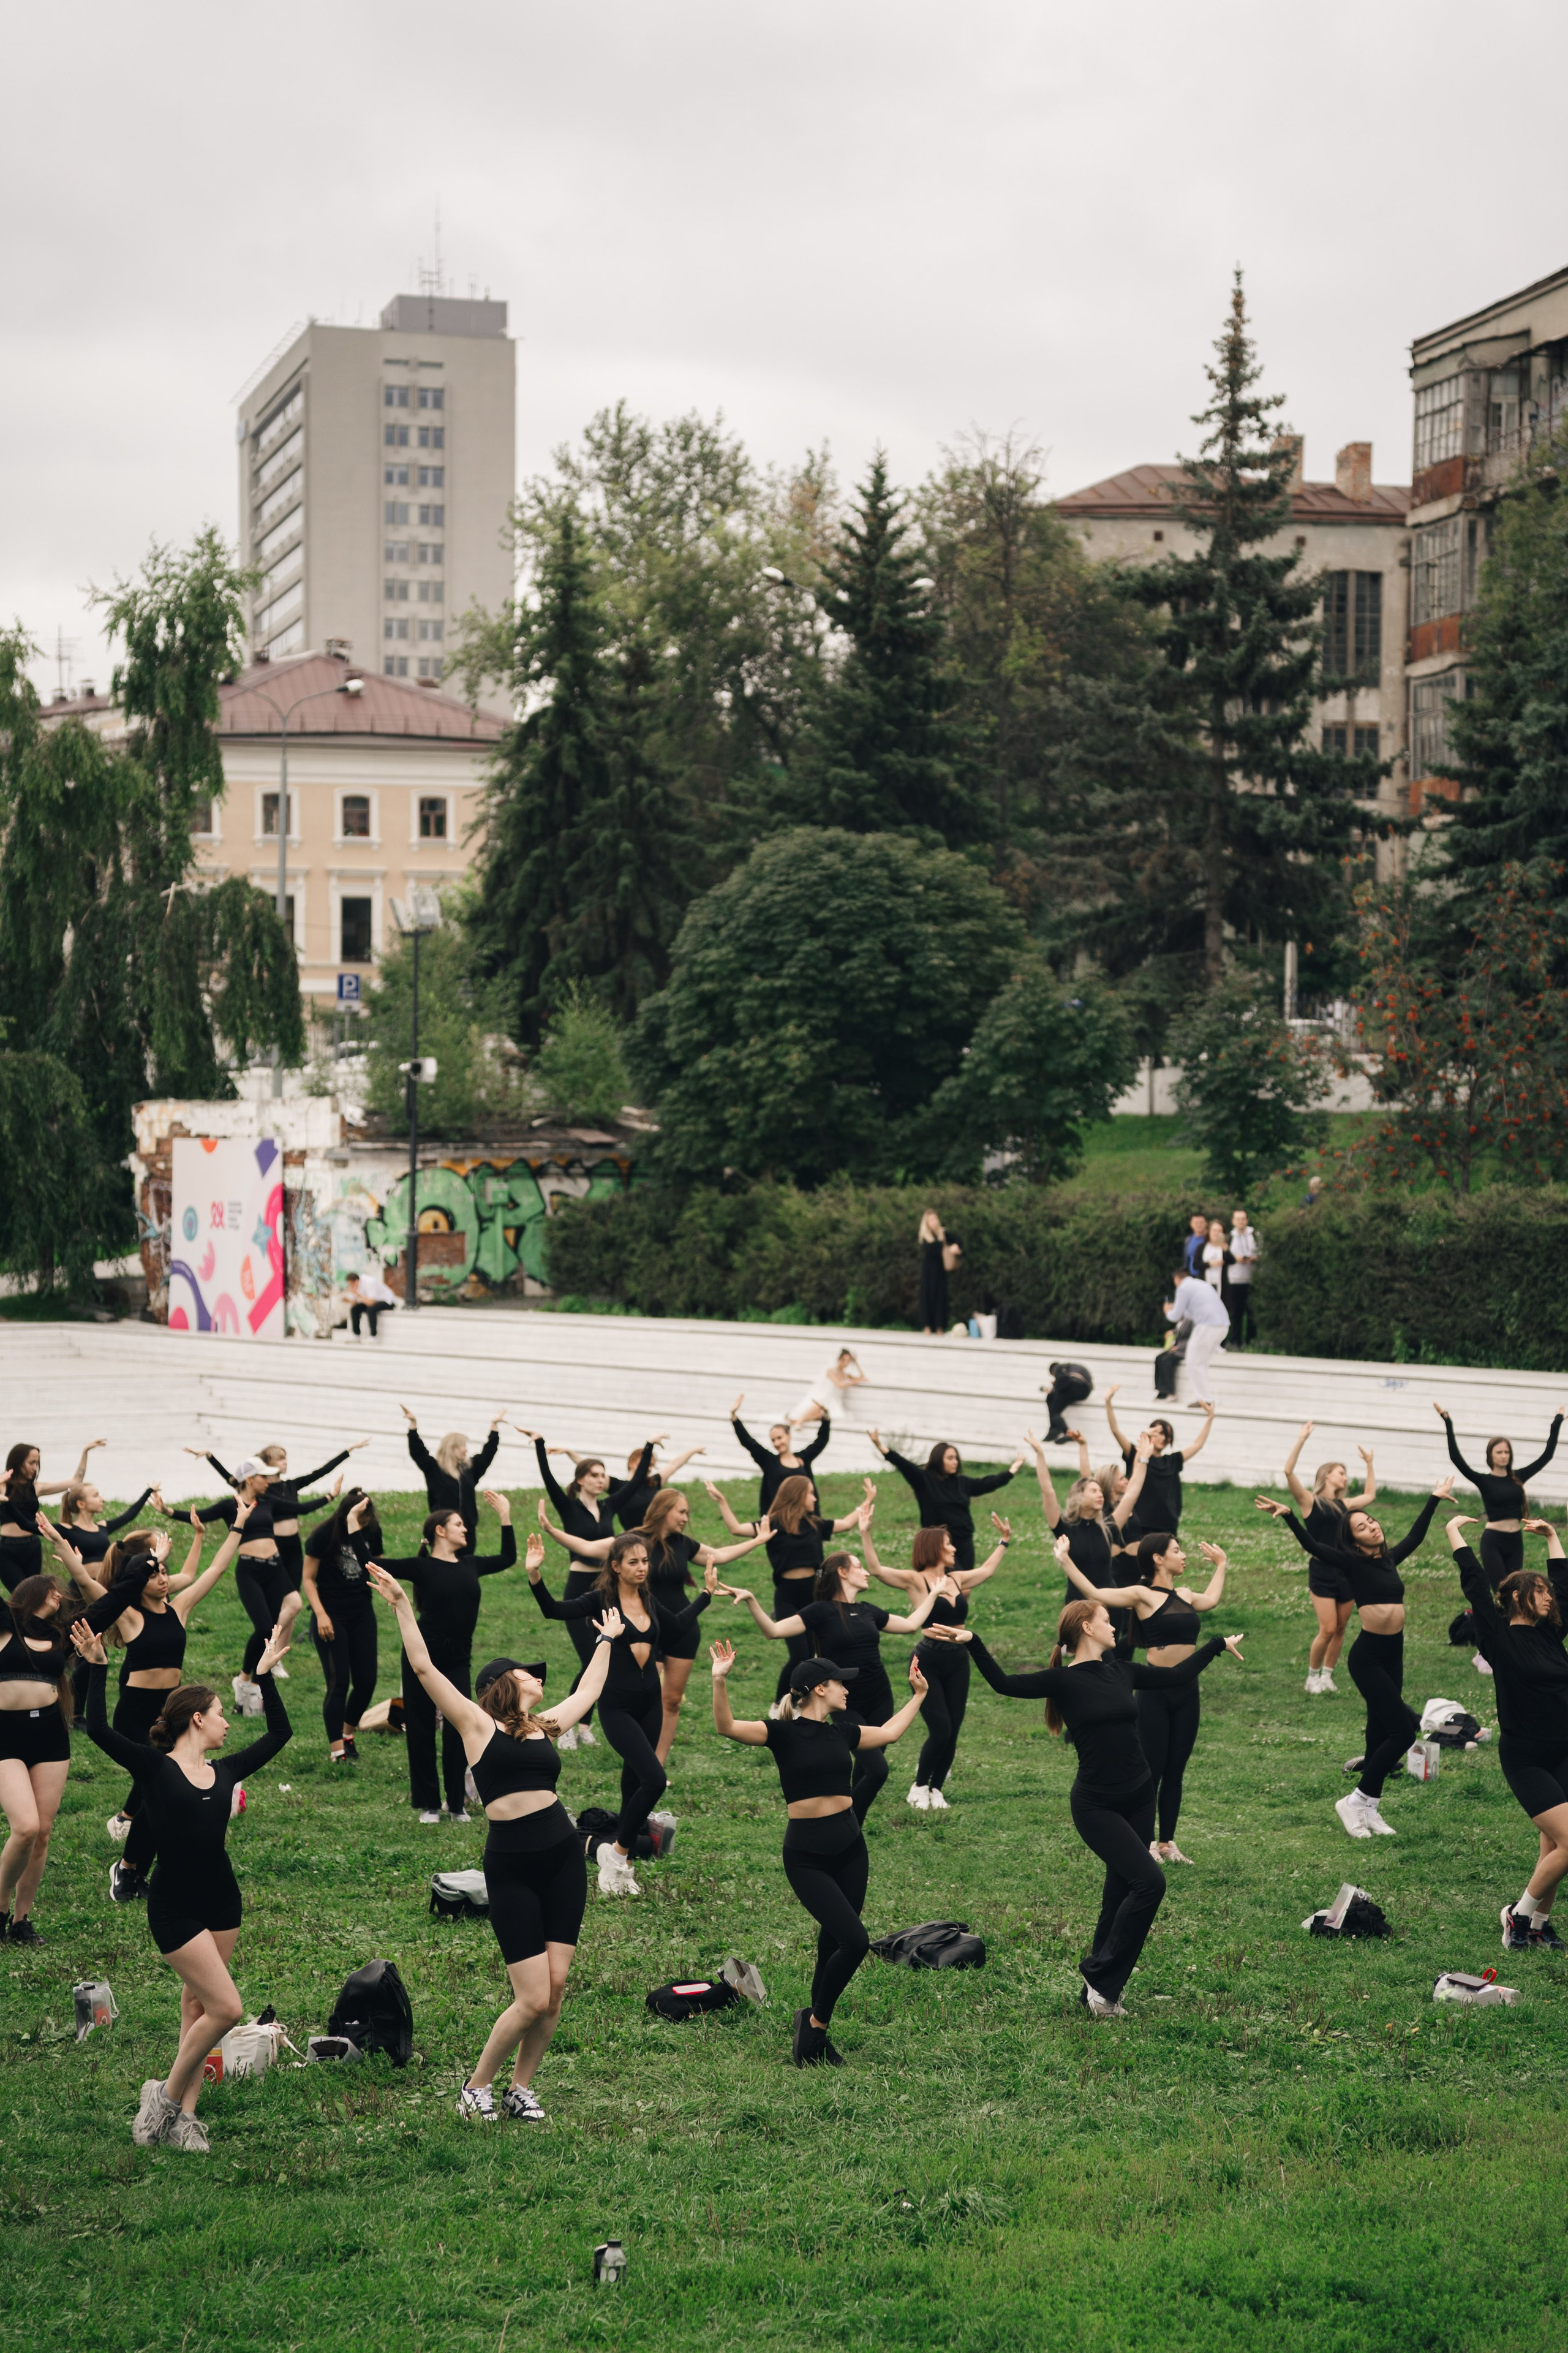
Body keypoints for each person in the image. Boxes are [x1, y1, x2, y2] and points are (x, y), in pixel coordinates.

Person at [368, 1569, 623, 2120]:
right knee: (530, 1996)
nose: (539, 1679)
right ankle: (474, 2087)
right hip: (512, 1865)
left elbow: (592, 1689)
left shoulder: (545, 1725)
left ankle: (519, 2088)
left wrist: (607, 1640)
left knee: (554, 1993)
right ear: (505, 1681)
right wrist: (402, 1605)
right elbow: (424, 1667)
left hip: (562, 1859)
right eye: (530, 1674)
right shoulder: (476, 1725)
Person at [927, 1603, 1240, 2014]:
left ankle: (1096, 1994)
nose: (1116, 1626)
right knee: (1150, 1883)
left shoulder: (1123, 1670)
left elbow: (1177, 1675)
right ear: (1088, 1627)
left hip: (1140, 1795)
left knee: (1119, 1895)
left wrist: (1217, 1644)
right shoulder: (1063, 1680)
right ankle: (1101, 1978)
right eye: (1108, 1620)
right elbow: (1004, 1683)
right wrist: (975, 1643)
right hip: (1097, 1805)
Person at [73, 1610, 293, 2153]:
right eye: (220, 1714)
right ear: (196, 1719)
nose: (226, 1723)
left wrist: (264, 1674)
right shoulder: (153, 1767)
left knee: (198, 2007)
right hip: (173, 1905)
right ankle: (165, 2098)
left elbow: (282, 1732)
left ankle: (185, 2119)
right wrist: (99, 1668)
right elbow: (97, 1729)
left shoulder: (226, 1771)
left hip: (222, 1899)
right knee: (228, 2008)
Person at [710, 1641, 927, 2066]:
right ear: (817, 1688)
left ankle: (813, 2033)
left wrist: (918, 1694)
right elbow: (727, 1726)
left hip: (851, 1848)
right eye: (840, 1683)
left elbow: (891, 1733)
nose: (847, 1689)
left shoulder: (842, 1732)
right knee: (855, 1940)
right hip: (807, 1856)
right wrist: (719, 1680)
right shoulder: (781, 1733)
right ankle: (815, 2025)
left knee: (834, 1944)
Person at [1257, 1479, 1452, 1839]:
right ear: (1353, 1540)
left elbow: (1416, 1536)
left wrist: (1433, 1500)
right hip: (1368, 1658)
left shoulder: (1390, 1559)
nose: (1372, 1527)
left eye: (1372, 1521)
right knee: (1403, 1732)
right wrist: (1288, 1517)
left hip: (1395, 1654)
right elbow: (1312, 1545)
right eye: (1361, 1527)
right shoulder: (1349, 1562)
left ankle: (1370, 1809)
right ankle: (1355, 1801)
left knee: (1379, 1732)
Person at [526, 1530, 710, 1895]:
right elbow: (554, 1611)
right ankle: (617, 1854)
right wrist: (535, 1575)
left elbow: (677, 1625)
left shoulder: (650, 1600)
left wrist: (705, 1594)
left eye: (645, 1561)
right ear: (616, 1566)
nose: (642, 1568)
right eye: (633, 1562)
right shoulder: (600, 1601)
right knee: (654, 1780)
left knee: (633, 1787)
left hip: (650, 1705)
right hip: (618, 1706)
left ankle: (619, 1869)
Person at [77, 1511, 248, 1902]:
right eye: (155, 1573)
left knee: (161, 1796)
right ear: (140, 1581)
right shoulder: (130, 1615)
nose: (163, 1578)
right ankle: (128, 1869)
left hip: (167, 1716)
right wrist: (59, 1546)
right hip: (135, 1717)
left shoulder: (180, 1608)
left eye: (165, 1572)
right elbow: (88, 1585)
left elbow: (217, 1570)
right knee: (160, 1790)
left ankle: (130, 1869)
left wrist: (238, 1526)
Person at [537, 1484, 770, 1762]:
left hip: (680, 1626)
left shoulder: (684, 1544)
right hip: (646, 1628)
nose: (686, 1518)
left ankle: (657, 1762)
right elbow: (587, 1547)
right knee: (644, 1689)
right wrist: (551, 1531)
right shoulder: (634, 1541)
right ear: (665, 1509)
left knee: (671, 1700)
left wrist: (757, 1541)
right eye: (681, 1512)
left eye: (688, 1513)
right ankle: (638, 1755)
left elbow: (719, 1555)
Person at [715, 1544, 946, 1821]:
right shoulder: (820, 1611)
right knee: (877, 1770)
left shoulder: (868, 1610)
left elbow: (910, 1625)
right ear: (843, 1572)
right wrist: (752, 1600)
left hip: (880, 1698)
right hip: (843, 1701)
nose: (866, 1573)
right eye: (859, 1567)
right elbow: (774, 1631)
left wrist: (932, 1595)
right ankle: (849, 1822)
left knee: (864, 1769)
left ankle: (849, 1824)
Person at [1061, 1528, 1229, 1864]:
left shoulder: (1185, 1593)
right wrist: (1066, 1560)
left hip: (1187, 1691)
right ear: (1158, 1558)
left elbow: (1210, 1601)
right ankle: (1146, 1842)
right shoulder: (1142, 1595)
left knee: (1176, 1769)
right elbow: (1096, 1592)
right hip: (1155, 1693)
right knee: (1151, 1770)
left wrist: (1222, 1564)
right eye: (1177, 1550)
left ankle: (1168, 1843)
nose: (1184, 1556)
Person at [1444, 1516, 1568, 1954]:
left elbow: (1565, 1584)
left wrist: (1553, 1536)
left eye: (1549, 1593)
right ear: (1518, 1596)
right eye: (1541, 1592)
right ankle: (1518, 1914)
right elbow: (1474, 1581)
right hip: (1526, 1755)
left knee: (1556, 1846)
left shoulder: (1552, 1635)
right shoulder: (1496, 1637)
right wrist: (1454, 1532)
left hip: (1563, 1750)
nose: (1549, 1598)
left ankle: (1537, 1925)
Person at [374, 1492, 518, 1822]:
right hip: (421, 1654)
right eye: (458, 1524)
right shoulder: (422, 1566)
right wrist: (356, 1527)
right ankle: (428, 1804)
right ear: (440, 1530)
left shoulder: (471, 1564)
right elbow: (378, 1564)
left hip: (458, 1659)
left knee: (460, 1726)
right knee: (422, 1726)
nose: (464, 1529)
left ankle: (455, 1804)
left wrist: (506, 1516)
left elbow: (508, 1557)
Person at [518, 1429, 660, 1745]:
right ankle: (565, 1728)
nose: (600, 1480)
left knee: (603, 1658)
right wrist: (540, 1444)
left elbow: (637, 1482)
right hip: (581, 1585)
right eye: (594, 1475)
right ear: (581, 1479)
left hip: (609, 1586)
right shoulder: (569, 1507)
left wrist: (648, 1446)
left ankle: (584, 1727)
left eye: (603, 1475)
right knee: (590, 1661)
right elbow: (548, 1478)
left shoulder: (608, 1507)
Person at [861, 1514, 1012, 1809]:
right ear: (933, 1548)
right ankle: (919, 1785)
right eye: (948, 1544)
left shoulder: (956, 1578)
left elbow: (988, 1570)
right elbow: (877, 1570)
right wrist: (866, 1533)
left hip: (958, 1659)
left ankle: (937, 1789)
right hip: (928, 1658)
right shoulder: (916, 1580)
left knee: (954, 1729)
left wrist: (1004, 1540)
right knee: (940, 1729)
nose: (954, 1548)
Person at [706, 1475, 872, 1701]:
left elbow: (847, 1523)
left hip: (814, 1596)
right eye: (811, 1493)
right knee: (799, 1655)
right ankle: (780, 1705)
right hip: (787, 1596)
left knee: (813, 1654)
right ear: (797, 1495)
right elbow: (735, 1528)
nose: (815, 1498)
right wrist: (722, 1500)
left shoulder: (815, 1524)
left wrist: (867, 1499)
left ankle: (807, 1701)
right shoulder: (772, 1524)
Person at [0, 1566, 94, 1944]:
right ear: (33, 1591)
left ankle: (22, 1921)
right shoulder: (6, 1625)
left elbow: (110, 1602)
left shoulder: (62, 1634)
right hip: (6, 1736)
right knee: (25, 1827)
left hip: (50, 1737)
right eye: (53, 1589)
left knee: (42, 1833)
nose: (60, 1594)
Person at [197, 1438, 363, 1633]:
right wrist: (210, 1457)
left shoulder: (291, 1485)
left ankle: (279, 1654)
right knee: (276, 1605)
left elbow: (320, 1472)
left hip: (294, 1547)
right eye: (280, 1459)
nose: (285, 1462)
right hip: (274, 1548)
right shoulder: (262, 1490)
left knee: (293, 1603)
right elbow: (233, 1479)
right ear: (267, 1465)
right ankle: (270, 1644)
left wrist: (347, 1451)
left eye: (286, 1458)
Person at [191, 1457, 321, 1691]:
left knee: (283, 1614)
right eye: (264, 1477)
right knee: (264, 1628)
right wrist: (166, 1510)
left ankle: (261, 1675)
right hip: (249, 1569)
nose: (270, 1481)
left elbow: (299, 1509)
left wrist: (330, 1498)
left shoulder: (267, 1501)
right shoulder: (229, 1506)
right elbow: (200, 1515)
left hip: (274, 1566)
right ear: (250, 1480)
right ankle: (244, 1678)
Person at [1281, 1422, 1377, 1695]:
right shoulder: (1310, 1501)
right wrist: (1301, 1439)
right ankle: (1312, 1677)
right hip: (1322, 1572)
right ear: (1327, 1476)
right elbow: (1288, 1472)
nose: (1345, 1478)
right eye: (1341, 1473)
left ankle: (1327, 1676)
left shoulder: (1343, 1505)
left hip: (1347, 1572)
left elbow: (1369, 1495)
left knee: (1341, 1629)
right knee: (1327, 1628)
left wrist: (1370, 1464)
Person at [1433, 1403, 1564, 1588]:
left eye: (1507, 1452)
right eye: (1499, 1452)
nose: (1504, 1456)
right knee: (1501, 1590)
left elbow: (1547, 1456)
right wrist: (1448, 1422)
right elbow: (1456, 1458)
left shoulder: (1519, 1477)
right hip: (1493, 1541)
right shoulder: (1483, 1481)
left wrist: (1557, 1422)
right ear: (1491, 1455)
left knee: (1515, 1590)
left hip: (1515, 1541)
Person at [301, 1489, 383, 1763]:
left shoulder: (372, 1530)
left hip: (362, 1613)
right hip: (331, 1614)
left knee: (367, 1680)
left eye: (366, 1519)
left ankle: (348, 1734)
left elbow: (379, 1567)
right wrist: (321, 1614)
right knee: (339, 1683)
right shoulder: (324, 1534)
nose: (363, 1524)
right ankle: (337, 1750)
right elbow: (309, 1578)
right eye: (358, 1518)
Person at [868, 1432, 1023, 1573]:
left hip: (964, 1541)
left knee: (966, 1588)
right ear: (938, 1460)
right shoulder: (924, 1480)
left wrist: (1012, 1470)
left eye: (956, 1458)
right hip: (939, 1543)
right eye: (950, 1458)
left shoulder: (962, 1483)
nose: (955, 1462)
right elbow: (904, 1465)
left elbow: (988, 1483)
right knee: (951, 1585)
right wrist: (880, 1446)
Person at [1028, 1430, 1148, 1601]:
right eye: (1094, 1491)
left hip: (1110, 1604)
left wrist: (1143, 1459)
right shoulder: (1063, 1527)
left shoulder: (1108, 1527)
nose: (1100, 1495)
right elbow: (1047, 1490)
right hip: (1078, 1605)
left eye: (1101, 1491)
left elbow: (1132, 1492)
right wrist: (1040, 1454)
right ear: (1079, 1496)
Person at [1103, 1388, 1215, 1535]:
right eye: (1160, 1433)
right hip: (1140, 1523)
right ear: (1151, 1433)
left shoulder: (1173, 1461)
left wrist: (1210, 1418)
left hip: (1167, 1523)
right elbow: (1116, 1431)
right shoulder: (1137, 1454)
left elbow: (1198, 1445)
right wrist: (1108, 1403)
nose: (1164, 1438)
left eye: (1168, 1436)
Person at [400, 1404, 508, 1549]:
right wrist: (413, 1426)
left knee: (466, 1568)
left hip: (466, 1531)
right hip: (444, 1531)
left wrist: (494, 1427)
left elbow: (488, 1453)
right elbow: (418, 1451)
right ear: (452, 1448)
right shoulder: (434, 1468)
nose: (466, 1450)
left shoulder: (469, 1469)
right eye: (463, 1446)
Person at [1, 1437, 103, 1590]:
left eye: (37, 1463)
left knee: (34, 1596)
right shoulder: (3, 1487)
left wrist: (85, 1451)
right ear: (18, 1461)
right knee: (19, 1594)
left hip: (32, 1546)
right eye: (31, 1463)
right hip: (7, 1549)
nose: (35, 1467)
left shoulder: (36, 1488)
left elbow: (76, 1480)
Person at [728, 1397, 830, 1517]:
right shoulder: (769, 1461)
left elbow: (821, 1441)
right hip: (780, 1519)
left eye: (780, 1438)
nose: (777, 1443)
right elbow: (749, 1442)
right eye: (773, 1440)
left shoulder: (803, 1459)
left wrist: (826, 1418)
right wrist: (734, 1416)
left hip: (805, 1517)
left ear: (789, 1436)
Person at [52, 1476, 160, 1566]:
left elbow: (129, 1516)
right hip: (81, 1587)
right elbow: (36, 1527)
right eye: (96, 1496)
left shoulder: (103, 1527)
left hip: (103, 1585)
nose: (102, 1499)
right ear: (81, 1504)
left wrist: (149, 1491)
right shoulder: (67, 1529)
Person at [1162, 1265, 1229, 1407]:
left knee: (1193, 1362)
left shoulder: (1183, 1288)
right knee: (1200, 1362)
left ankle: (1205, 1400)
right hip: (1223, 1326)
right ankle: (1206, 1398)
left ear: (1178, 1278)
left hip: (1208, 1327)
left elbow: (1175, 1316)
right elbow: (1191, 1315)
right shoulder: (1202, 1284)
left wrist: (1168, 1311)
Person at [614, 1440, 706, 1531]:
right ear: (631, 1462)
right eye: (645, 1463)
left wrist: (694, 1450)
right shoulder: (620, 1487)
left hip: (653, 1535)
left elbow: (673, 1465)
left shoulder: (652, 1483)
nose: (648, 1468)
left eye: (651, 1465)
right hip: (630, 1537)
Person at [1224, 1209, 1259, 1345]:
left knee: (1252, 1312)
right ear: (1233, 1221)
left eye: (1243, 1219)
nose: (1241, 1222)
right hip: (1235, 1279)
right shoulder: (1230, 1237)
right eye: (1238, 1219)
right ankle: (1235, 1341)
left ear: (1247, 1220)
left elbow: (1263, 1253)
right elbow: (1225, 1256)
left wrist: (1254, 1259)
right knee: (1236, 1312)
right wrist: (1235, 1259)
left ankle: (1251, 1340)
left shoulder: (1255, 1235)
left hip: (1252, 1278)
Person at [918, 1209, 950, 1334]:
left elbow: (958, 1241)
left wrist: (954, 1247)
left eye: (936, 1219)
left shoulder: (943, 1233)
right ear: (927, 1222)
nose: (935, 1222)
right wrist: (942, 1244)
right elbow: (931, 1250)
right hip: (929, 1271)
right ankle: (927, 1326)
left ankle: (940, 1326)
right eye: (931, 1220)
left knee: (940, 1298)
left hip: (941, 1270)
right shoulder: (925, 1235)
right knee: (928, 1297)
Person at [345, 1266, 399, 1339]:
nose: (351, 1286)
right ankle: (356, 1335)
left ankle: (373, 1335)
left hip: (388, 1301)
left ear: (357, 1281)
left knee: (371, 1309)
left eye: (352, 1285)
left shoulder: (370, 1282)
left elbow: (371, 1302)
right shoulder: (355, 1287)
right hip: (374, 1301)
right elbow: (354, 1303)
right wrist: (349, 1298)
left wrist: (357, 1295)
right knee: (355, 1309)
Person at [1201, 1219, 1228, 1294]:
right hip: (1205, 1282)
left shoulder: (1225, 1247)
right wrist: (1210, 1264)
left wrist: (1226, 1251)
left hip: (1223, 1285)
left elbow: (1231, 1262)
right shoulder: (1202, 1247)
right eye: (1214, 1231)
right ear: (1209, 1232)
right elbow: (1196, 1264)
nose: (1217, 1233)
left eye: (1220, 1231)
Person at [1182, 1212, 1209, 1278]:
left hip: (1207, 1276)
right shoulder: (1188, 1240)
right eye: (1196, 1223)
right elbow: (1187, 1260)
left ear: (1206, 1223)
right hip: (1192, 1276)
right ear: (1191, 1224)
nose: (1199, 1225)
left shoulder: (1211, 1239)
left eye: (1201, 1223)